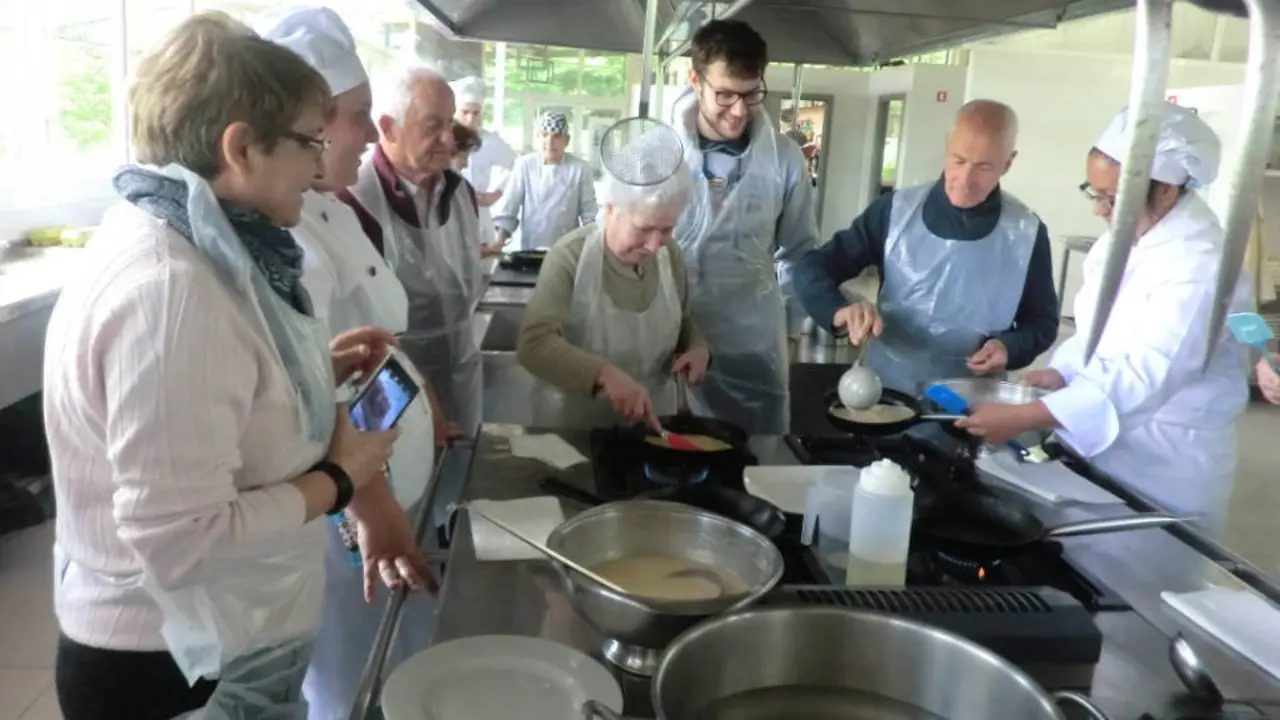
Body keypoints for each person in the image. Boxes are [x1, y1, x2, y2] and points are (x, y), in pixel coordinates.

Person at [43, 13, 403, 719]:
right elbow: (184, 539)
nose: (321, 164)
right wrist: (340, 480)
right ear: (240, 148)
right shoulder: (170, 289)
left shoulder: (192, 241)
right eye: (308, 142)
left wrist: (303, 375)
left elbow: (205, 401)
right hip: (166, 668)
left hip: (201, 643)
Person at [956, 102, 1252, 541]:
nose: (1099, 210)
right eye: (1093, 192)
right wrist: (1060, 373)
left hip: (1164, 470)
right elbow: (1097, 333)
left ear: (1167, 190)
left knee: (1133, 596)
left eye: (1111, 198)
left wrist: (1028, 416)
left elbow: (1145, 372)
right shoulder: (1124, 241)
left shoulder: (1204, 268)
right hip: (1098, 450)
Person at [260, 10, 443, 719]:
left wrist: (423, 395)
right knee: (348, 678)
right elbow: (311, 400)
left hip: (387, 477)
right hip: (348, 505)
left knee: (394, 664)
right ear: (308, 123)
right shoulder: (285, 233)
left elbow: (374, 350)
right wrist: (370, 499)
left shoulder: (333, 209)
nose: (372, 132)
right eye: (360, 116)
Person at [793, 100, 1059, 395]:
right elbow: (811, 268)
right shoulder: (895, 212)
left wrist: (1011, 347)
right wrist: (839, 311)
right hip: (886, 394)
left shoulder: (1025, 233)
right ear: (947, 146)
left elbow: (1042, 322)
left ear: (1008, 163)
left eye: (984, 167)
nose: (965, 180)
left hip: (973, 404)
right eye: (958, 160)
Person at [338, 63, 483, 523]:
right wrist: (424, 406)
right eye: (432, 125)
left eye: (451, 122)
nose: (448, 138)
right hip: (389, 389)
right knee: (400, 504)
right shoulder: (354, 202)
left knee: (458, 499)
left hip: (459, 371)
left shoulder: (458, 193)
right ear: (387, 128)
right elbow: (358, 333)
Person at [667, 20, 820, 434]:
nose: (738, 110)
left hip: (752, 339)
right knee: (669, 457)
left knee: (756, 460)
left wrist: (788, 333)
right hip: (669, 336)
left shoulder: (785, 160)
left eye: (751, 94)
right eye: (725, 95)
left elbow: (801, 250)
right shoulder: (659, 155)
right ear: (695, 80)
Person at [517, 135, 711, 429]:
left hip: (652, 427)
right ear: (609, 209)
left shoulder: (669, 254)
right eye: (644, 228)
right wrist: (604, 374)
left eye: (667, 228)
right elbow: (534, 345)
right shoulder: (571, 256)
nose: (654, 244)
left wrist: (697, 347)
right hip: (575, 429)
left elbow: (683, 320)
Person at [492, 111, 599, 252]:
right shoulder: (525, 165)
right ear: (538, 137)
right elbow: (509, 207)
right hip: (530, 248)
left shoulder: (580, 169)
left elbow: (589, 213)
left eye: (556, 136)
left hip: (567, 251)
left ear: (566, 140)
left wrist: (594, 246)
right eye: (544, 135)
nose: (549, 141)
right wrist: (499, 242)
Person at [450, 75, 515, 224]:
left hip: (476, 210)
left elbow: (516, 167)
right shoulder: (444, 138)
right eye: (465, 112)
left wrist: (497, 194)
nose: (470, 118)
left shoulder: (491, 141)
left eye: (475, 113)